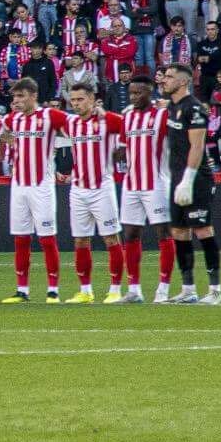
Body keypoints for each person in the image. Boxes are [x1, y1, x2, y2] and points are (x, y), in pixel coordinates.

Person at [160, 62, 221, 303]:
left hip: (197, 179)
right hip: (176, 178)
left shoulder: (194, 108)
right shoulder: (171, 107)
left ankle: (215, 289)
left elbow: (197, 146)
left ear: (183, 81)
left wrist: (187, 180)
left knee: (202, 229)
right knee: (178, 231)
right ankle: (188, 288)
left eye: (169, 76)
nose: (164, 80)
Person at [0, 80, 65, 302]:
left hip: (41, 186)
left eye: (20, 96)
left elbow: (76, 126)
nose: (16, 101)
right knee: (21, 239)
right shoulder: (12, 120)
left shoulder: (50, 116)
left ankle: (53, 290)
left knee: (47, 239)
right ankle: (22, 290)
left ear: (33, 95)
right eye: (14, 97)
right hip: (18, 186)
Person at [62, 83, 128, 303]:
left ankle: (115, 289)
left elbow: (128, 127)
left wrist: (120, 152)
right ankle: (85, 290)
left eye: (80, 99)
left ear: (92, 99)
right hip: (78, 189)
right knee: (80, 241)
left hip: (102, 187)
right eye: (73, 100)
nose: (76, 104)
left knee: (110, 238)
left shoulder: (107, 120)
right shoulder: (70, 123)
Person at [118, 74, 171, 303]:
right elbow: (122, 148)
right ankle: (134, 289)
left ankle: (163, 288)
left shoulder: (162, 116)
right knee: (130, 234)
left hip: (156, 184)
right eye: (131, 93)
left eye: (138, 92)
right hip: (131, 184)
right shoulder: (127, 116)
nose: (134, 97)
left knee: (163, 234)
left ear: (150, 92)